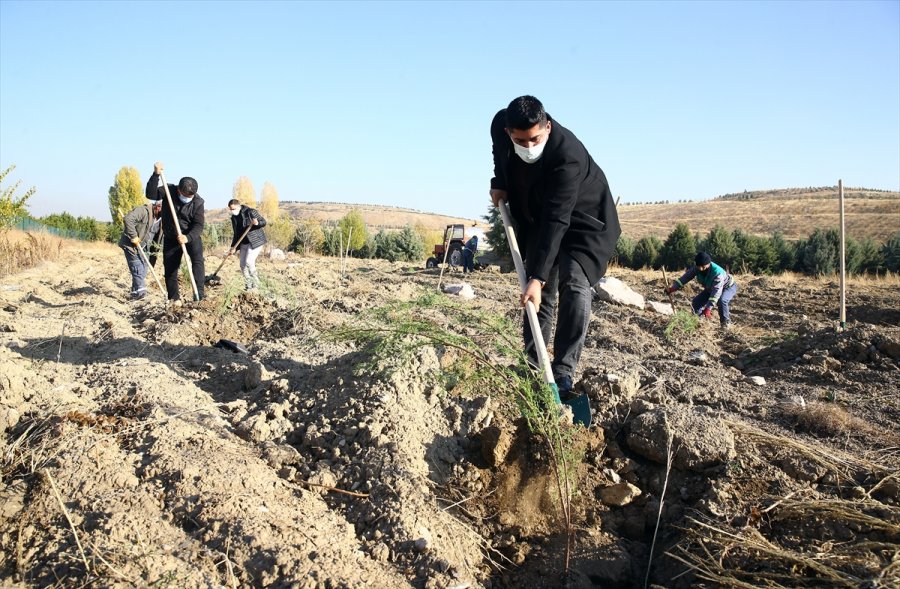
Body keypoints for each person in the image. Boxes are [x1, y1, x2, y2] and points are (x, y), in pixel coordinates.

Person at [490, 95, 621, 397]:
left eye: (535, 138)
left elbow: (557, 219)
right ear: (510, 131)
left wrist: (537, 276)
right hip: (539, 214)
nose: (529, 146)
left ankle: (563, 373)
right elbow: (500, 153)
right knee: (540, 296)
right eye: (521, 140)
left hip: (584, 220)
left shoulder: (567, 156)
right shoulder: (501, 125)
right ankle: (534, 367)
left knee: (573, 283)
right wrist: (500, 180)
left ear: (547, 126)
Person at [144, 162, 206, 302]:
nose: (187, 198)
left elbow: (199, 225)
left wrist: (188, 237)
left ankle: (199, 294)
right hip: (171, 236)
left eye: (190, 196)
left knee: (197, 262)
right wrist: (156, 175)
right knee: (170, 268)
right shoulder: (169, 189)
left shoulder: (198, 202)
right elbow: (150, 194)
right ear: (179, 190)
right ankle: (174, 298)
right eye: (184, 195)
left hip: (190, 236)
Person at [666, 252, 738, 328]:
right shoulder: (696, 268)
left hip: (727, 287)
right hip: (710, 287)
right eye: (698, 266)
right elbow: (686, 277)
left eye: (703, 266)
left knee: (722, 300)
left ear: (708, 264)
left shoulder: (718, 274)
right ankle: (698, 322)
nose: (700, 268)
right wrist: (673, 287)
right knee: (696, 302)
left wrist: (708, 308)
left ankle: (725, 324)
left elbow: (716, 293)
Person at [117, 200, 163, 300]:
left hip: (145, 248)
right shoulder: (143, 211)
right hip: (131, 245)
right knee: (138, 269)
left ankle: (134, 293)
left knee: (144, 270)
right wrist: (133, 236)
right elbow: (128, 219)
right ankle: (141, 293)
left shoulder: (161, 219)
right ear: (158, 207)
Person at [227, 198, 267, 290]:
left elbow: (263, 222)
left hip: (255, 241)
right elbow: (236, 234)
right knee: (242, 265)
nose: (232, 211)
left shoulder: (250, 212)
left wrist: (257, 223)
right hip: (243, 243)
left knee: (249, 262)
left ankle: (256, 285)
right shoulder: (234, 218)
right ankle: (248, 285)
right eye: (230, 209)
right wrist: (233, 247)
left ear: (238, 206)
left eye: (233, 209)